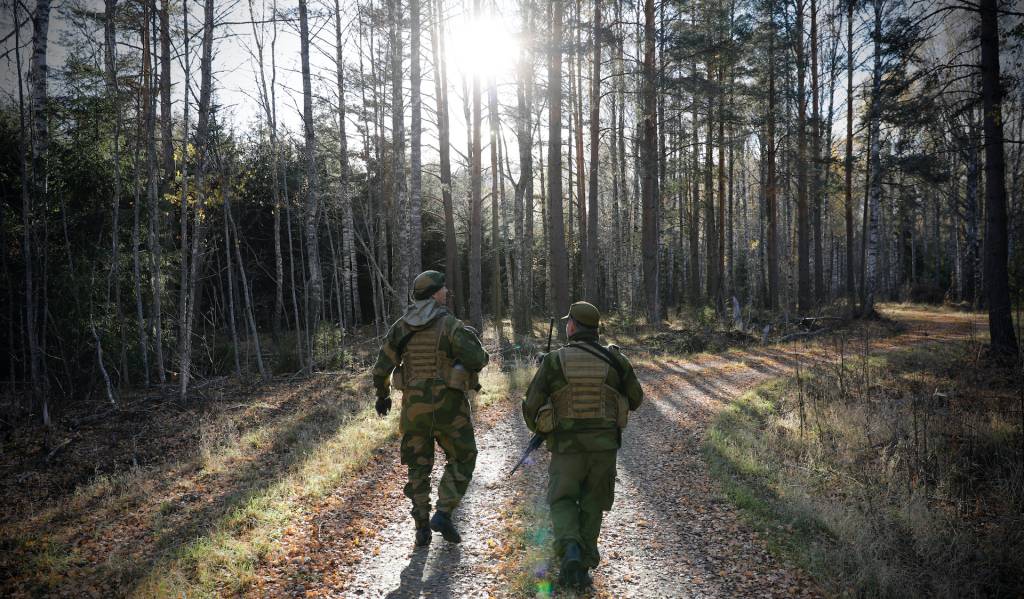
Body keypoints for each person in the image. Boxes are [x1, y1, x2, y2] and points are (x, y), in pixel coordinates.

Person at [522, 301, 644, 589]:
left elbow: (531, 406)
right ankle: (583, 567)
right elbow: (636, 399)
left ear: (573, 326)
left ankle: (571, 551)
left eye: (568, 322)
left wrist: (542, 427)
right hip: (604, 450)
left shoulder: (555, 361)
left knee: (562, 499)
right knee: (593, 503)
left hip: (566, 448)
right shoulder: (615, 360)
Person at [372, 270, 489, 546]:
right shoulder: (450, 325)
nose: (447, 293)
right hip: (450, 409)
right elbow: (477, 359)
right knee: (463, 456)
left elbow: (381, 369)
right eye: (444, 290)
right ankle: (444, 512)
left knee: (418, 468)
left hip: (415, 411)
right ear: (435, 293)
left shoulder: (401, 327)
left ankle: (421, 527)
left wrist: (383, 395)